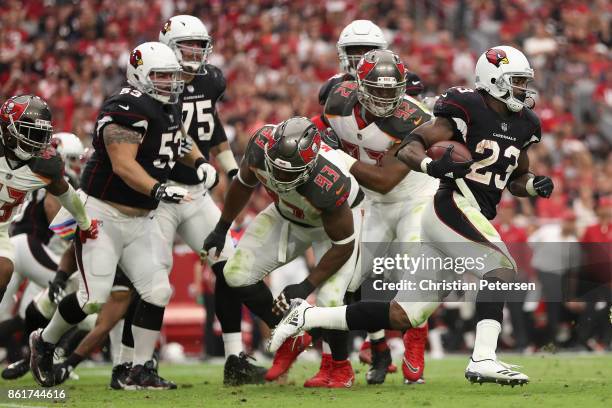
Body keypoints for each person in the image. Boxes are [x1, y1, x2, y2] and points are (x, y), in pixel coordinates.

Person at [269, 45, 555, 387]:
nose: (524, 89)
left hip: (468, 213)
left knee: (403, 314)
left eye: (525, 82)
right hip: (452, 205)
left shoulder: (526, 123)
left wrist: (534, 185)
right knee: (501, 268)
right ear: (494, 79)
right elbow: (410, 147)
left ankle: (308, 316)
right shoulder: (466, 107)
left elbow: (515, 178)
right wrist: (433, 166)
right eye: (517, 81)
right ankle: (483, 358)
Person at [29, 41, 215, 390]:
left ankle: (140, 370)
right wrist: (159, 189)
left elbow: (178, 139)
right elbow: (123, 164)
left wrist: (200, 162)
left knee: (157, 290)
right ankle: (46, 340)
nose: (169, 83)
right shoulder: (127, 106)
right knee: (93, 298)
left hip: (140, 218)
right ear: (140, 74)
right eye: (160, 76)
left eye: (171, 76)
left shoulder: (167, 104)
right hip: (102, 213)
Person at [202, 116, 364, 388]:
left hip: (332, 228)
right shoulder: (259, 144)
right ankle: (291, 335)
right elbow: (243, 184)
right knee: (235, 274)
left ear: (310, 165)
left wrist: (305, 285)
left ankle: (340, 368)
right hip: (286, 214)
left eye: (290, 172)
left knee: (330, 297)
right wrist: (222, 227)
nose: (279, 176)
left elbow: (344, 244)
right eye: (275, 167)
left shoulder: (329, 181)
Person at [157, 14, 265, 385]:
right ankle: (131, 363)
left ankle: (234, 357)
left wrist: (230, 168)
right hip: (157, 191)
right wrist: (205, 162)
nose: (195, 53)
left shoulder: (210, 80)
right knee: (148, 279)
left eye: (200, 46)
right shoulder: (159, 81)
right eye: (188, 45)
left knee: (230, 268)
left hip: (196, 191)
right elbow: (176, 134)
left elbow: (211, 126)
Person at [0, 95, 98, 306]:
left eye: (40, 134)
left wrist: (85, 222)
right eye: (30, 133)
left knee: (3, 270)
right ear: (8, 132)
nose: (36, 141)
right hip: (25, 238)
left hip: (1, 231)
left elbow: (66, 194)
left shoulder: (44, 165)